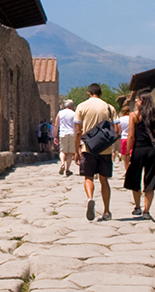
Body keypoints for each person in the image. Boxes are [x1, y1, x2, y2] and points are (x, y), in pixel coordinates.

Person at [73, 83, 117, 220]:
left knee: (88, 177)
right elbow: (117, 130)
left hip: (88, 148)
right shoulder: (109, 108)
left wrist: (76, 150)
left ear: (88, 93)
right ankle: (106, 211)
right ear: (101, 93)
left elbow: (78, 132)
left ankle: (90, 197)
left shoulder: (81, 107)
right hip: (105, 149)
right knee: (104, 180)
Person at [124, 89, 155, 219]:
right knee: (151, 180)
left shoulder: (134, 116)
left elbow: (131, 135)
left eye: (137, 99)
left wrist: (127, 152)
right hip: (152, 151)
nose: (136, 101)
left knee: (135, 177)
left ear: (142, 101)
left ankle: (137, 207)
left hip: (139, 150)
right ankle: (146, 211)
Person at [55, 100, 78, 175]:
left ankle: (62, 163)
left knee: (62, 151)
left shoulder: (60, 113)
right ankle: (67, 169)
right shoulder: (74, 114)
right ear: (71, 106)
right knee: (70, 153)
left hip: (63, 133)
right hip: (72, 133)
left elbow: (56, 125)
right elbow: (76, 125)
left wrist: (55, 136)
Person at [114, 95, 133, 178]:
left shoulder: (120, 120)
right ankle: (132, 170)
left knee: (125, 156)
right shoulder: (132, 118)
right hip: (132, 138)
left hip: (123, 138)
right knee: (132, 155)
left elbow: (118, 131)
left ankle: (127, 171)